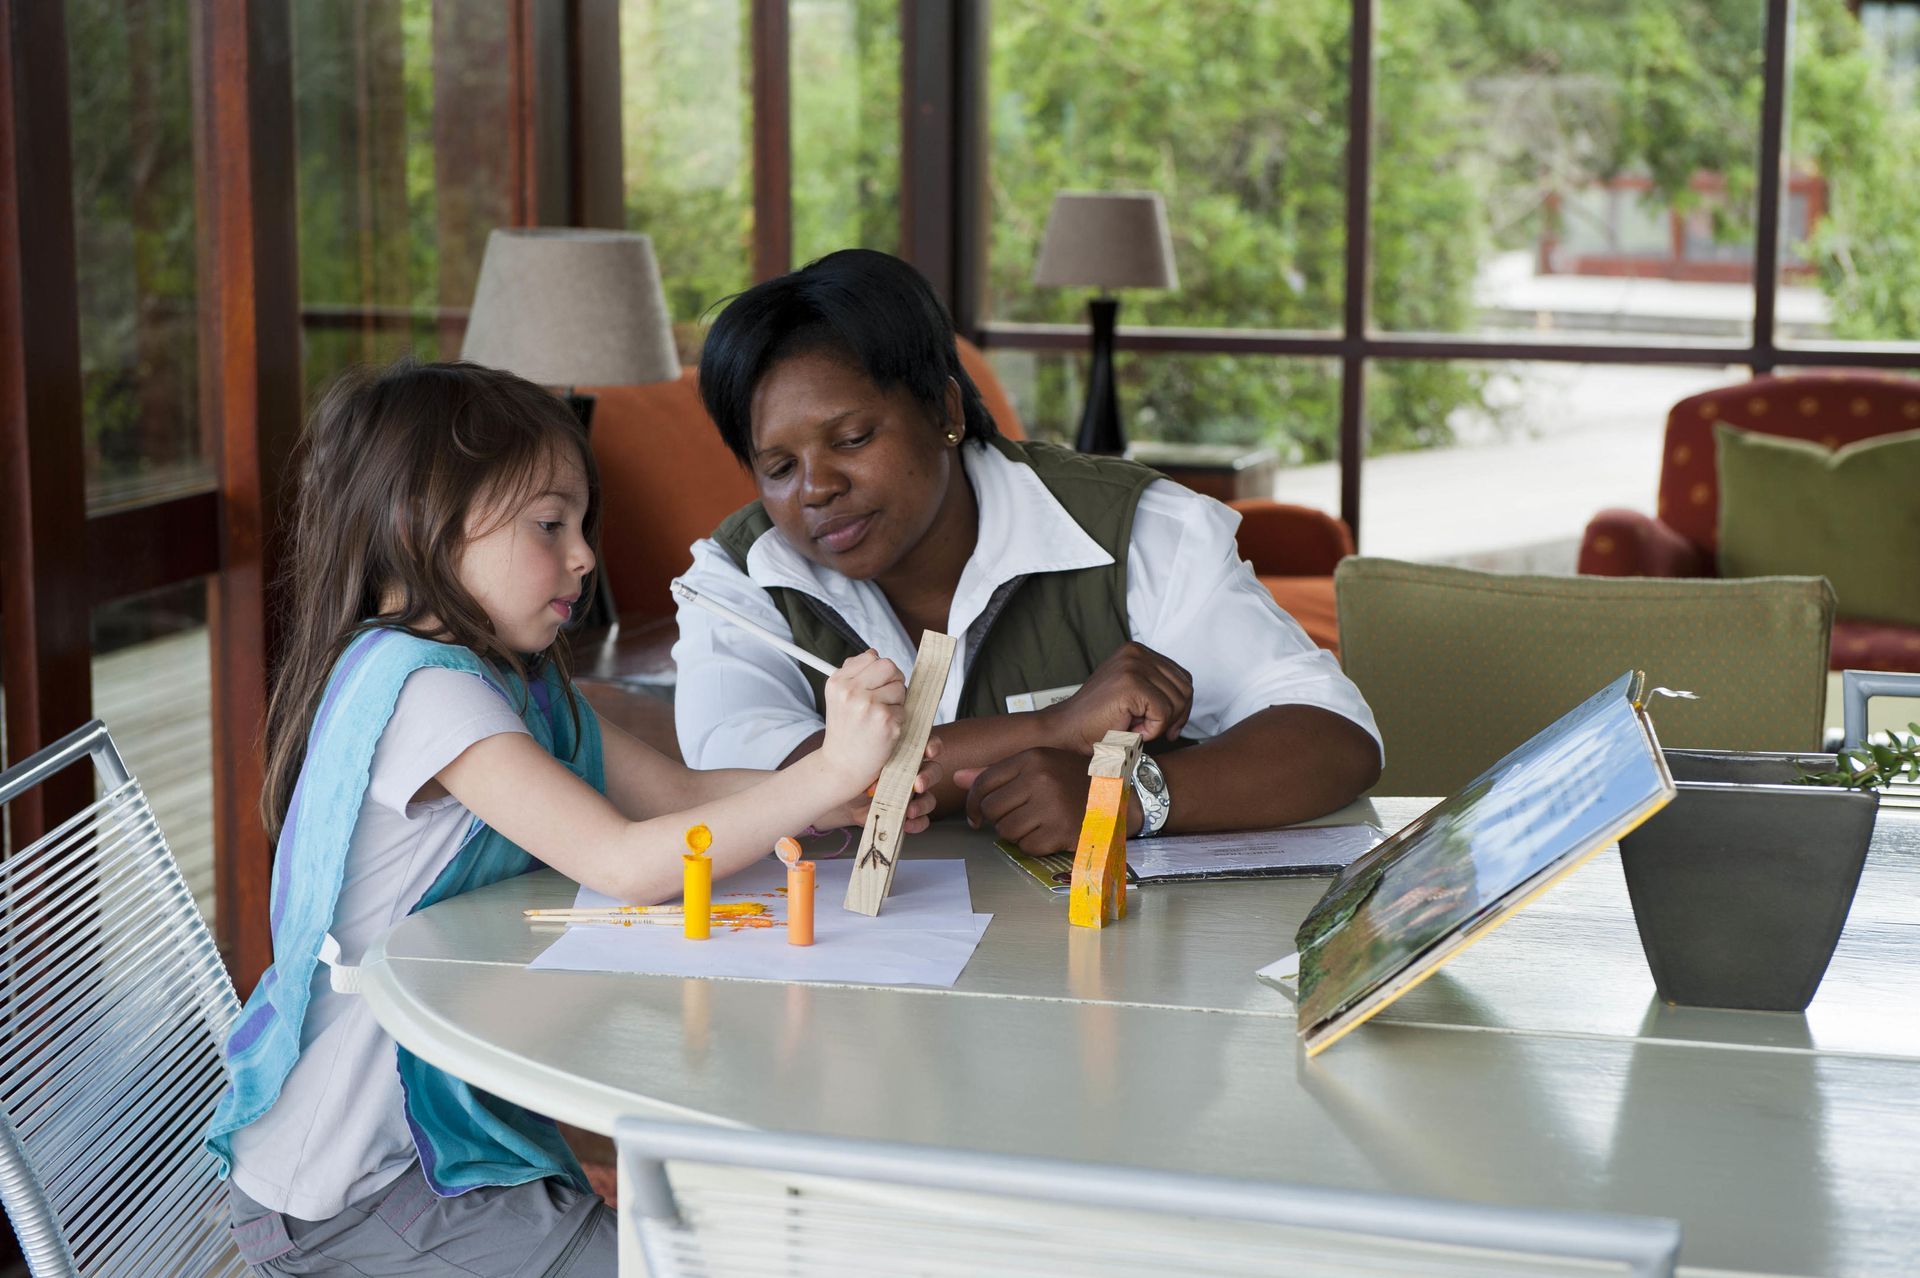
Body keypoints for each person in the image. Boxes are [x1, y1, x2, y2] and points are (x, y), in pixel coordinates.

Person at [204, 360, 934, 1277]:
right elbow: (626, 861)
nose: (583, 555)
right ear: (416, 525)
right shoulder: (427, 693)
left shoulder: (517, 681)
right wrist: (826, 765)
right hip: (356, 1193)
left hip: (444, 1153)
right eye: (549, 525)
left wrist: (835, 794)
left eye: (581, 524)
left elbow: (677, 799)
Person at [672, 249, 1382, 852]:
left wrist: (1127, 796)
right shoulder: (736, 578)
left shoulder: (1137, 531)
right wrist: (1051, 730)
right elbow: (765, 785)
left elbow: (1334, 738)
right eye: (778, 468)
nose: (817, 488)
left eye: (853, 439)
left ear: (945, 412)